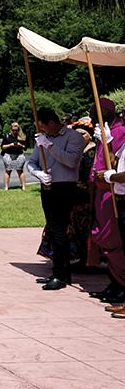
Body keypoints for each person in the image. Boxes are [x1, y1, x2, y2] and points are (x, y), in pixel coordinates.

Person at [26, 107, 87, 291]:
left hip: (65, 187)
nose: (42, 130)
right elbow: (32, 161)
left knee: (60, 230)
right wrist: (37, 173)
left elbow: (71, 161)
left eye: (43, 126)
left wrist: (50, 147)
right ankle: (58, 271)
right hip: (48, 187)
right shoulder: (43, 138)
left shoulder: (73, 137)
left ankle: (62, 275)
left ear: (52, 122)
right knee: (52, 229)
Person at [87, 98, 125, 304]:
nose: (92, 115)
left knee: (112, 239)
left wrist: (108, 140)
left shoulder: (118, 132)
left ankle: (121, 283)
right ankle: (115, 281)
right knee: (102, 237)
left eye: (96, 112)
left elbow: (115, 162)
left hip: (112, 190)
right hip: (100, 190)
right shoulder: (104, 131)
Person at [1, 122, 28, 190]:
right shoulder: (7, 136)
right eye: (13, 130)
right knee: (8, 171)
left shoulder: (22, 136)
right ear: (11, 129)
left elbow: (25, 148)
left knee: (20, 171)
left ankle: (23, 187)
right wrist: (10, 145)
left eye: (16, 130)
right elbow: (2, 146)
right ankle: (6, 187)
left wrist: (20, 145)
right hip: (8, 155)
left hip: (19, 155)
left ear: (19, 129)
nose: (15, 131)